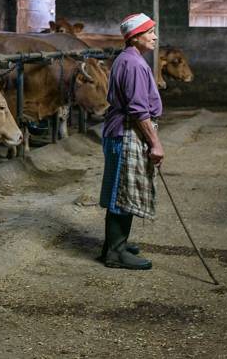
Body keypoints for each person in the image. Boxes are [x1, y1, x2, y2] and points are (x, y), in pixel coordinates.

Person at [99, 13, 164, 270]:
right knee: (122, 192)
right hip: (126, 132)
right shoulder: (135, 64)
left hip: (120, 131)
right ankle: (115, 254)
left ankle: (115, 245)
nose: (155, 37)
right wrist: (155, 144)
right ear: (135, 37)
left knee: (121, 189)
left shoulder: (126, 58)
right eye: (150, 32)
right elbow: (138, 111)